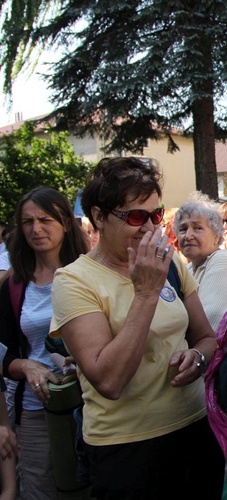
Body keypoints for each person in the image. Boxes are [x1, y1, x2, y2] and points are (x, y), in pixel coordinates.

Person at [50, 157, 224, 498]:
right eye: (134, 216)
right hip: (127, 448)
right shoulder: (73, 281)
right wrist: (145, 293)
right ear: (98, 217)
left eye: (156, 215)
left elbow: (206, 338)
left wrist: (198, 359)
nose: (149, 228)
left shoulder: (169, 261)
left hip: (195, 430)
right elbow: (109, 380)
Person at [0, 187, 88, 499]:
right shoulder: (14, 284)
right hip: (37, 411)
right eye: (27, 222)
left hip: (92, 405)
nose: (36, 229)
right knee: (39, 490)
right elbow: (5, 351)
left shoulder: (89, 273)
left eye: (45, 219)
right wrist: (25, 366)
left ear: (65, 222)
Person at [174, 193, 227, 330]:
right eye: (183, 229)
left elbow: (211, 325)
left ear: (216, 235)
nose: (188, 235)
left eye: (198, 228)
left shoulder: (223, 260)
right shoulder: (188, 269)